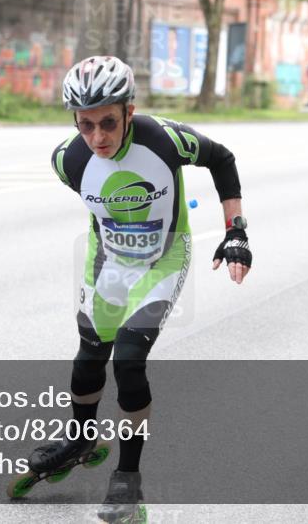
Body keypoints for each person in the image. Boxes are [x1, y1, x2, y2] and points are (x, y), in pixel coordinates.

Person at [33, 55, 252, 522]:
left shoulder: (165, 139)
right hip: (107, 263)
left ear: (130, 111)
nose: (98, 138)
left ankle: (127, 481)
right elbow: (101, 204)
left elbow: (223, 159)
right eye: (85, 125)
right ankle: (81, 438)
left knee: (129, 359)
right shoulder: (66, 161)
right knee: (89, 354)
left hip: (163, 259)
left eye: (109, 122)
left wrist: (236, 232)